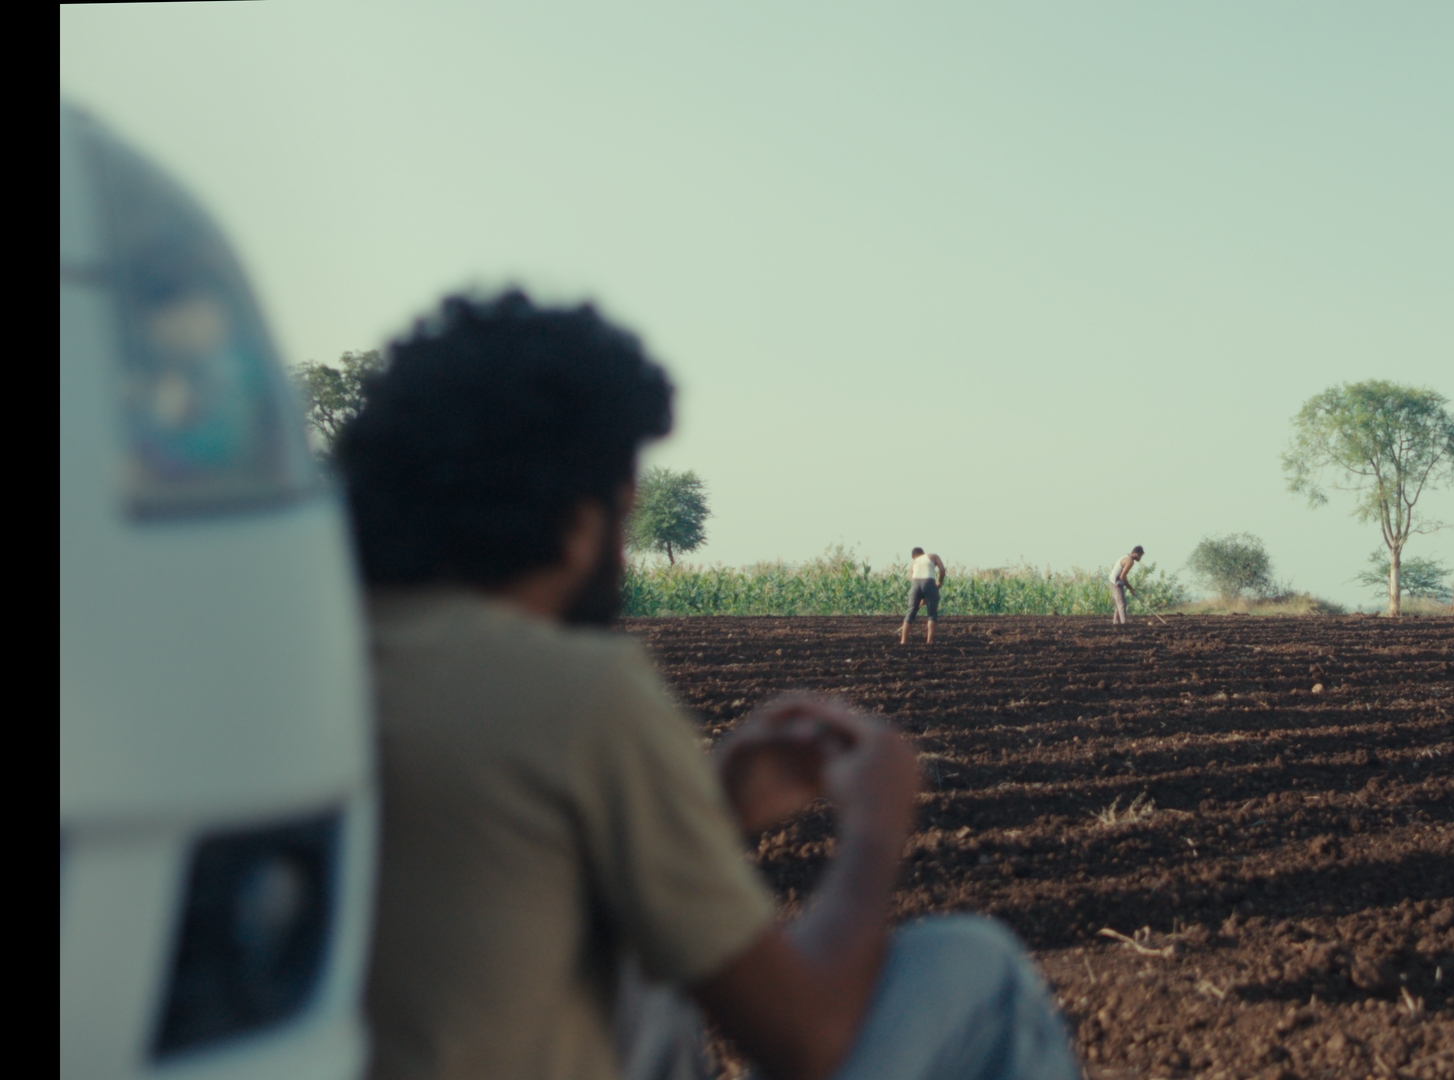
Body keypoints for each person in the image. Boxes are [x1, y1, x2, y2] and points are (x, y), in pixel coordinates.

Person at [336, 291, 1079, 1080]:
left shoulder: (320, 663)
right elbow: (804, 1036)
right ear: (580, 525)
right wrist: (874, 823)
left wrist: (709, 813)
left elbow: (503, 894)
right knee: (974, 966)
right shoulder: (577, 691)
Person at [900, 547, 947, 644]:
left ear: (913, 556)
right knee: (932, 614)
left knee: (910, 613)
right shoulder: (933, 556)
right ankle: (929, 642)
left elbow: (915, 581)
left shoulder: (913, 564)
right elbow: (942, 569)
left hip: (915, 584)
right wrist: (939, 582)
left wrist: (922, 597)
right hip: (929, 582)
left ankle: (903, 641)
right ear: (923, 552)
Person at [1108, 546, 1144, 626]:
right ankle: (1124, 625)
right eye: (1139, 555)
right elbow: (1122, 577)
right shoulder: (1130, 561)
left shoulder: (1126, 556)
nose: (1140, 558)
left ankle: (1116, 624)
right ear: (1134, 553)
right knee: (1122, 604)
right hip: (1115, 582)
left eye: (1141, 556)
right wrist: (1130, 588)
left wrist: (1129, 587)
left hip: (1113, 580)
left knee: (1119, 605)